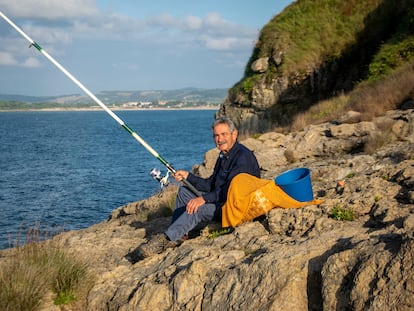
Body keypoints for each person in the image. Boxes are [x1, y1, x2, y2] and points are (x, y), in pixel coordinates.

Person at [136, 116, 260, 258]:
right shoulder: (224, 155)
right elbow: (211, 184)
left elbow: (231, 191)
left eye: (223, 134)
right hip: (222, 200)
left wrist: (204, 199)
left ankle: (167, 239)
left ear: (234, 134)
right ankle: (180, 232)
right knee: (184, 191)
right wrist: (188, 177)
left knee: (198, 207)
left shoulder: (242, 157)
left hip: (235, 207)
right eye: (216, 136)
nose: (219, 139)